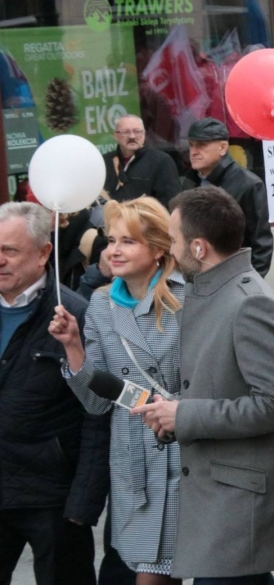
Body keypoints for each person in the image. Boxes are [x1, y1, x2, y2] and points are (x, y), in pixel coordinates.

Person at [135, 186, 274, 583]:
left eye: (174, 240)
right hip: (218, 502)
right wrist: (171, 416)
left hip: (237, 504)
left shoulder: (249, 302)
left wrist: (184, 415)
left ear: (198, 247)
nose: (169, 250)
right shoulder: (210, 293)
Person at [49, 196, 184, 585]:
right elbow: (96, 403)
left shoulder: (187, 298)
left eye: (128, 241)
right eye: (111, 241)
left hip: (184, 450)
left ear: (157, 248)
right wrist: (73, 346)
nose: (113, 251)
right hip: (132, 460)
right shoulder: (101, 303)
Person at [0, 203, 108, 585]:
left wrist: (83, 502)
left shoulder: (76, 315)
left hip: (53, 497)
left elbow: (96, 415)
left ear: (44, 252)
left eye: (9, 250)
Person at [182, 118, 273, 277]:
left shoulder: (249, 184)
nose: (193, 152)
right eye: (191, 145)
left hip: (234, 276)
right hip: (197, 275)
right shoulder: (190, 181)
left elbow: (261, 244)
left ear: (223, 147)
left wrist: (250, 283)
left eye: (202, 145)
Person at [104, 115, 182, 209]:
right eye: (126, 132)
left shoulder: (161, 161)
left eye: (137, 131)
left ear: (144, 134)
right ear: (116, 135)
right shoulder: (105, 162)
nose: (132, 136)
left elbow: (171, 202)